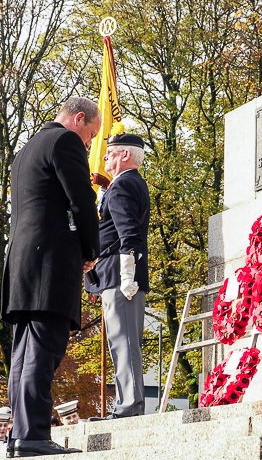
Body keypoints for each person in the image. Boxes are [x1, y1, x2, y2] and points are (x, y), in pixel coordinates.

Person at [1, 97, 101, 457]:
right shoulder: (65, 141)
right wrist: (92, 250)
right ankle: (33, 437)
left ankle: (20, 436)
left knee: (24, 353)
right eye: (91, 134)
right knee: (43, 352)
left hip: (22, 265)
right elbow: (82, 201)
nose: (90, 144)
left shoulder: (26, 149)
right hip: (50, 264)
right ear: (78, 119)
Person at [85, 133, 150, 420]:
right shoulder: (126, 184)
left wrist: (127, 276)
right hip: (115, 274)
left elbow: (129, 234)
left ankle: (129, 406)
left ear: (125, 155)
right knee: (120, 341)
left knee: (123, 342)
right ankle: (127, 403)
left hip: (120, 276)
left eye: (109, 153)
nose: (104, 157)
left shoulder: (123, 186)